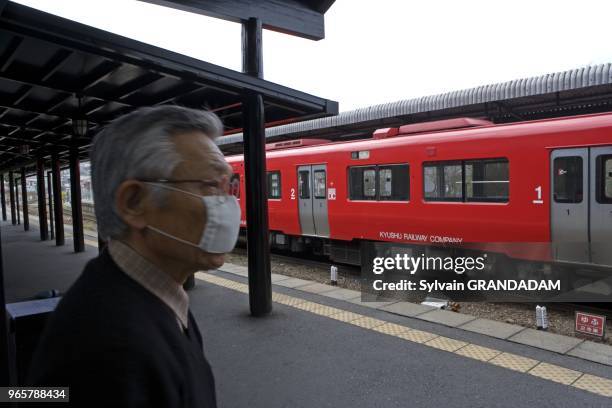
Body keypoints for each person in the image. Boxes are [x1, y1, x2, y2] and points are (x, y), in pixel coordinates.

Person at [27, 106, 241, 407]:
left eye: (228, 186)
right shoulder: (111, 352)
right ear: (134, 202)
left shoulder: (149, 294)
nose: (228, 202)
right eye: (210, 185)